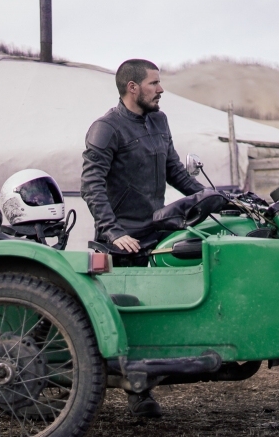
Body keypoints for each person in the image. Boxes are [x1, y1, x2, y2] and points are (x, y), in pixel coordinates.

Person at [81, 59, 204, 417]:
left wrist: (211, 200)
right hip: (121, 238)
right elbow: (91, 185)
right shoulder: (106, 128)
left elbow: (175, 173)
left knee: (162, 311)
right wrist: (113, 231)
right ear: (132, 87)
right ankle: (137, 395)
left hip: (157, 231)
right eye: (154, 83)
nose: (161, 89)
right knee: (130, 319)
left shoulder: (159, 120)